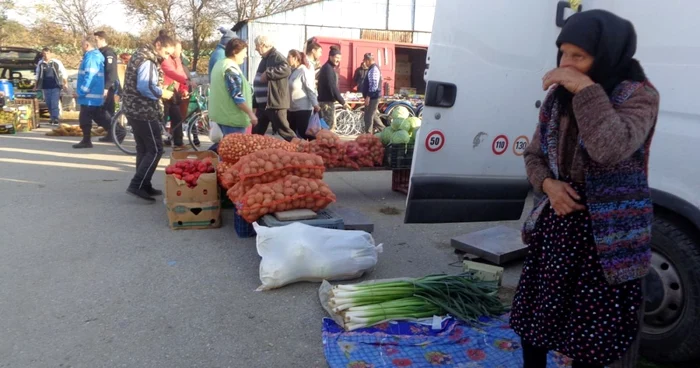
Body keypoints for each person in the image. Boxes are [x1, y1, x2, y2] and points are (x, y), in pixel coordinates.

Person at [511, 10, 659, 368]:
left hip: (607, 236)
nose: (567, 64)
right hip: (560, 222)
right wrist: (549, 186)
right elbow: (533, 154)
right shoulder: (557, 98)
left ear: (607, 54)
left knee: (591, 330)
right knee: (537, 318)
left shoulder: (639, 96)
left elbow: (610, 149)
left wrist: (587, 90)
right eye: (564, 53)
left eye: (579, 56)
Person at [121, 32, 176, 201]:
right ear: (158, 45)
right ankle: (137, 184)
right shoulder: (147, 60)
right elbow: (146, 87)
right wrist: (164, 93)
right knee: (155, 149)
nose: (167, 57)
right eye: (166, 53)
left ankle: (144, 184)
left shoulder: (140, 54)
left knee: (143, 149)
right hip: (143, 111)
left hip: (133, 109)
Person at [209, 38, 257, 151]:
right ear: (235, 52)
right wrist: (251, 113)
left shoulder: (220, 64)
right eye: (244, 53)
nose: (245, 56)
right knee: (234, 152)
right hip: (232, 118)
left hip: (222, 115)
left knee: (226, 149)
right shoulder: (230, 69)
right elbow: (237, 96)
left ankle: (212, 162)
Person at [251, 35, 296, 141]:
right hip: (264, 105)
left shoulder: (276, 56)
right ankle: (252, 153)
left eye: (257, 45)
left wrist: (269, 73)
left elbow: (286, 69)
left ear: (263, 45)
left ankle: (300, 147)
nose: (256, 48)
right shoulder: (265, 59)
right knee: (256, 132)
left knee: (284, 131)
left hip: (274, 104)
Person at [72, 36, 112, 149]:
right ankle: (117, 130)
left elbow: (90, 77)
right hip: (93, 94)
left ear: (87, 45)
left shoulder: (91, 58)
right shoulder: (95, 56)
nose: (81, 46)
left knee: (85, 118)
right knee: (99, 116)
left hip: (89, 96)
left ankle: (87, 140)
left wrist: (81, 92)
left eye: (82, 44)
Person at [161, 39, 192, 151]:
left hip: (174, 91)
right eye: (179, 48)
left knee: (177, 117)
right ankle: (159, 142)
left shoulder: (178, 60)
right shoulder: (165, 59)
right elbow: (171, 72)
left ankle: (178, 142)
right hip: (164, 91)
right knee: (162, 118)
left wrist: (184, 87)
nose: (180, 51)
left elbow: (181, 73)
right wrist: (185, 81)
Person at [287, 49, 319, 139]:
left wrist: (315, 104)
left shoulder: (303, 71)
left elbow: (310, 89)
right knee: (292, 134)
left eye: (289, 57)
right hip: (292, 109)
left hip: (302, 108)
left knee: (304, 132)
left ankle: (313, 149)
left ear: (295, 58)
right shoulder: (292, 71)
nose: (287, 59)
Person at [94, 30, 118, 142]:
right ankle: (112, 133)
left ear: (102, 39)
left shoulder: (108, 53)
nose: (95, 42)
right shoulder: (99, 52)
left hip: (108, 87)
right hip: (102, 86)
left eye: (96, 40)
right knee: (107, 112)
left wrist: (106, 87)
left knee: (104, 112)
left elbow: (111, 72)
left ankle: (117, 131)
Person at [317, 46, 350, 131]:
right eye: (336, 57)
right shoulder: (328, 69)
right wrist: (342, 102)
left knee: (326, 127)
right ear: (330, 57)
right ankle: (324, 144)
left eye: (340, 58)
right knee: (327, 128)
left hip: (326, 101)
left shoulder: (329, 68)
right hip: (326, 103)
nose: (338, 60)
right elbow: (332, 87)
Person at [34, 47, 68, 125]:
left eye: (47, 53)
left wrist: (65, 83)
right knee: (48, 103)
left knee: (54, 102)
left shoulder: (56, 62)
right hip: (45, 86)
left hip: (56, 85)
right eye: (44, 54)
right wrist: (36, 85)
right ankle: (52, 118)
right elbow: (37, 74)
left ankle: (56, 118)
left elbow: (63, 73)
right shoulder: (41, 63)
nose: (46, 55)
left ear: (51, 54)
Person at [360, 53, 385, 133]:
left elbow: (374, 84)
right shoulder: (372, 68)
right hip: (373, 96)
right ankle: (384, 130)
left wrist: (368, 96)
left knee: (369, 116)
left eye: (364, 61)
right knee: (373, 115)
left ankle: (368, 135)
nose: (364, 63)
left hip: (373, 97)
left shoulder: (374, 69)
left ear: (368, 61)